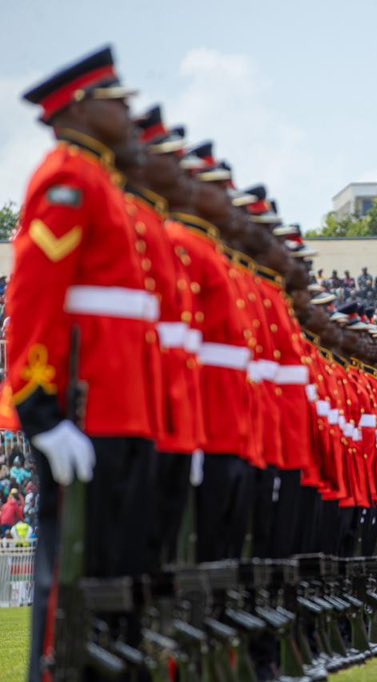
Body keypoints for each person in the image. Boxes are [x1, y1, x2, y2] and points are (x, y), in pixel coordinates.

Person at [15, 46, 161, 681]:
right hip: (83, 408)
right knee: (66, 576)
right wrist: (41, 410)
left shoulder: (102, 185)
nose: (125, 113)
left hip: (119, 410)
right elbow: (34, 300)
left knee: (106, 570)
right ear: (79, 107)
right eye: (114, 101)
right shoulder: (66, 179)